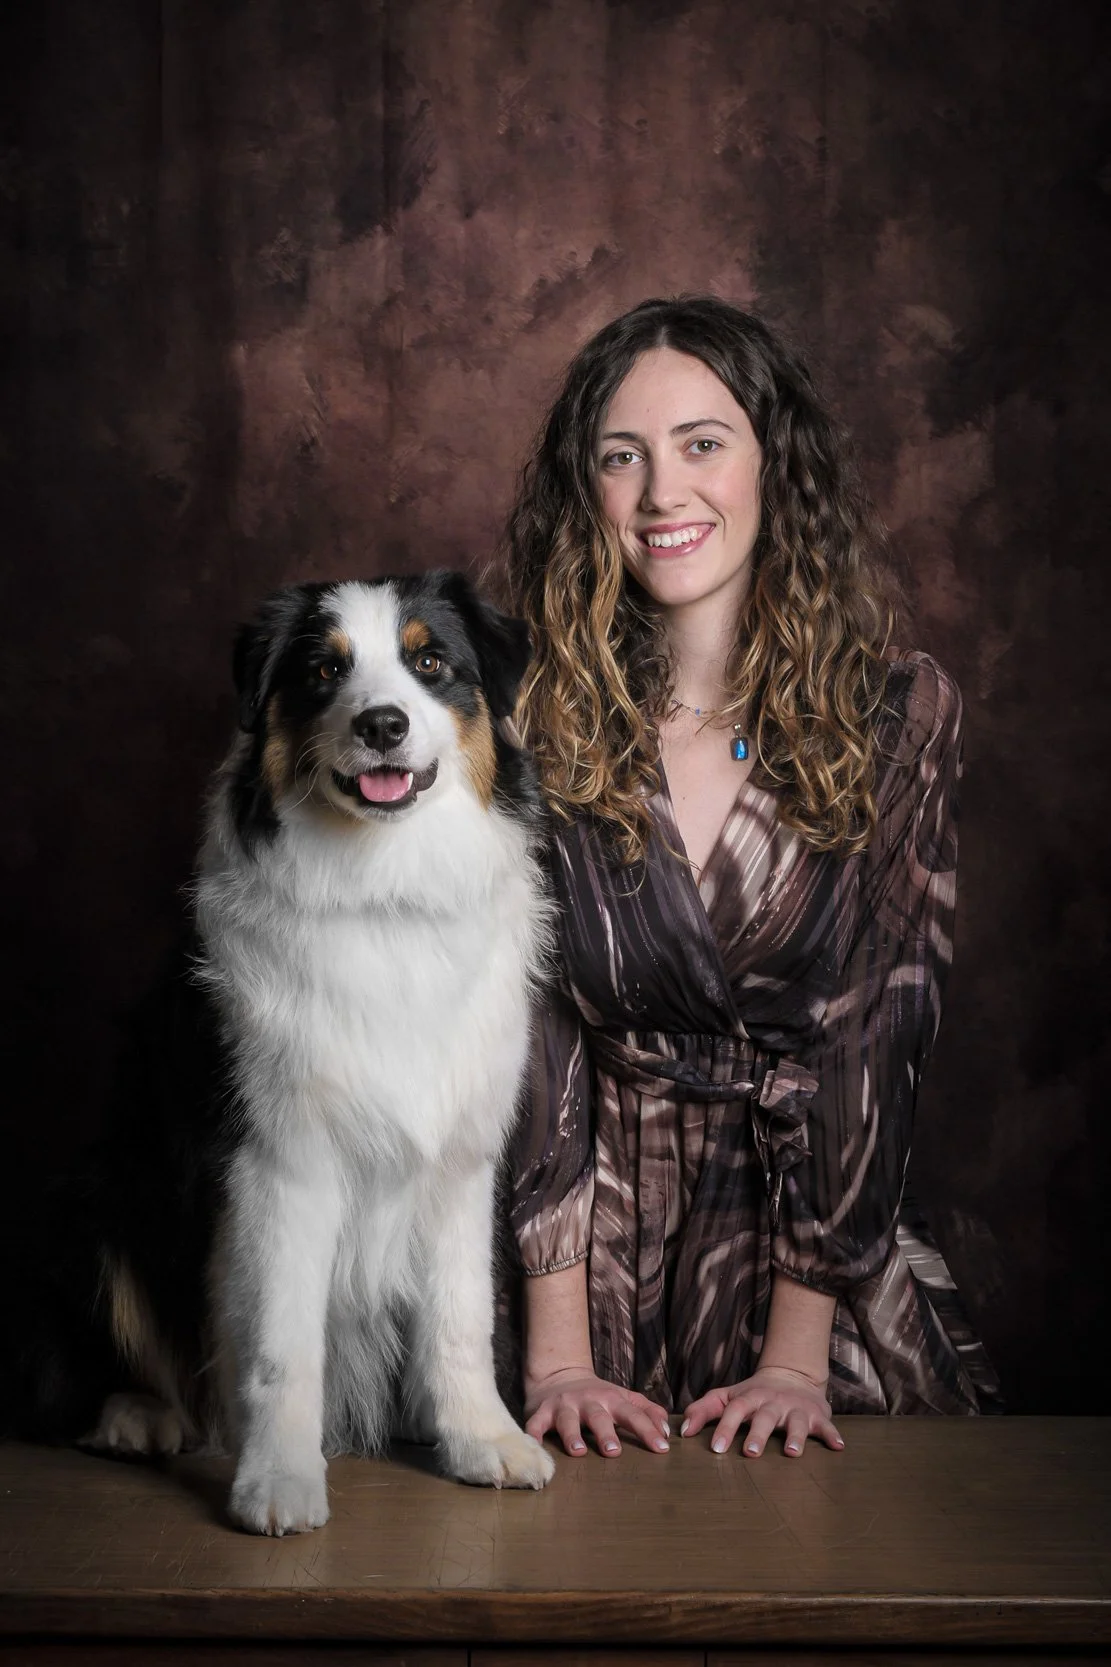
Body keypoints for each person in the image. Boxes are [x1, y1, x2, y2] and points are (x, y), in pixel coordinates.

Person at [502, 294, 1002, 1465]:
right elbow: (530, 1038)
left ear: (778, 465)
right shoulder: (529, 715)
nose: (663, 492)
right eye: (621, 457)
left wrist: (791, 1358)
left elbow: (873, 1035)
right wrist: (560, 1355)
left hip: (804, 1265)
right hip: (570, 1265)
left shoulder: (897, 716)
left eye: (702, 444)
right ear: (590, 493)